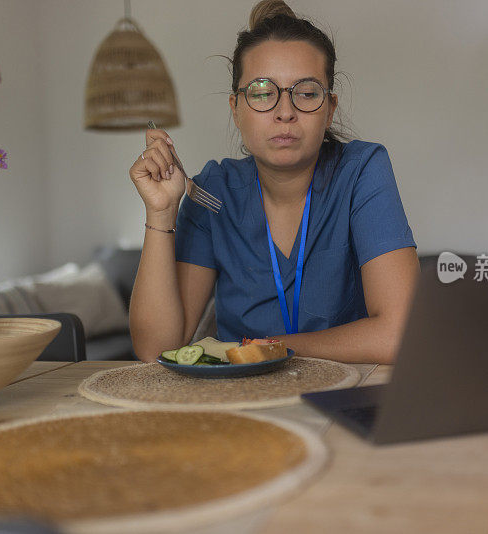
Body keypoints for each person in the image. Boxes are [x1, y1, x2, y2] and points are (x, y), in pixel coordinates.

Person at [128, 0, 419, 364]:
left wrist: (263, 348)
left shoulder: (361, 170)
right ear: (236, 109)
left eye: (307, 92)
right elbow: (154, 350)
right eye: (263, 92)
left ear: (329, 109)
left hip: (345, 398)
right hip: (242, 402)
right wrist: (161, 212)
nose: (285, 112)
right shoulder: (212, 191)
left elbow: (401, 334)